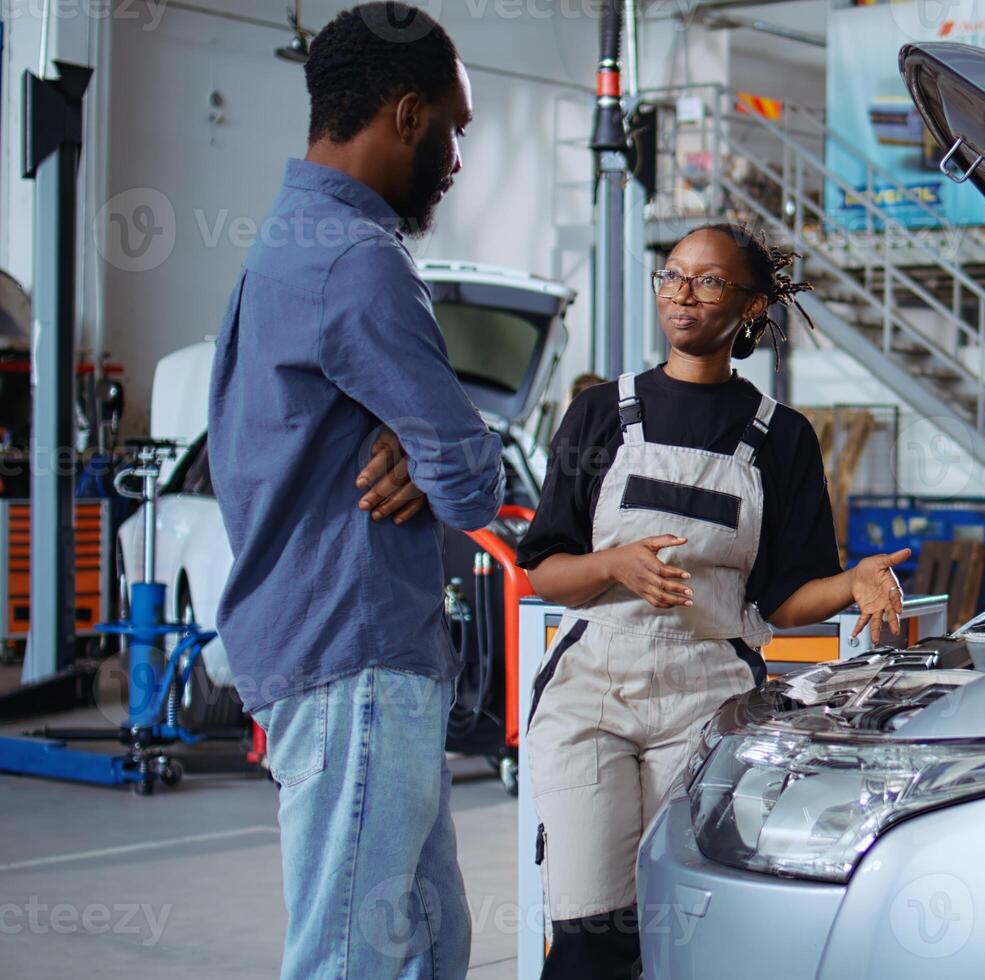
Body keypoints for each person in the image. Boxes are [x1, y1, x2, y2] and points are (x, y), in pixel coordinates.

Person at [516, 222, 912, 978]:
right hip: (591, 693)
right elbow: (545, 572)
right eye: (672, 276)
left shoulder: (780, 438)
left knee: (682, 930)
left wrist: (853, 581)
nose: (682, 295)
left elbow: (787, 598)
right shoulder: (599, 414)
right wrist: (616, 565)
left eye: (707, 282)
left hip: (707, 698)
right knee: (587, 932)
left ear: (752, 307)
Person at [206, 5, 497, 978]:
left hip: (328, 644)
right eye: (455, 127)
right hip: (355, 652)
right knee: (349, 956)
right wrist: (434, 447)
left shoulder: (287, 237)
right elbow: (470, 480)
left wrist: (417, 441)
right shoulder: (362, 262)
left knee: (428, 940)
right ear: (408, 116)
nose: (457, 156)